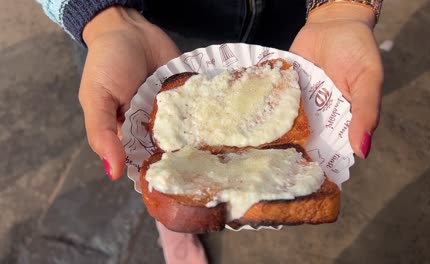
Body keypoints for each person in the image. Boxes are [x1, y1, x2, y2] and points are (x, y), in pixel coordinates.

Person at [37, 0, 384, 263]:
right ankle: (175, 220)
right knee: (146, 149)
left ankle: (181, 209)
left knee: (177, 157)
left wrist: (343, 8)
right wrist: (104, 17)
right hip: (150, 16)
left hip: (293, 14)